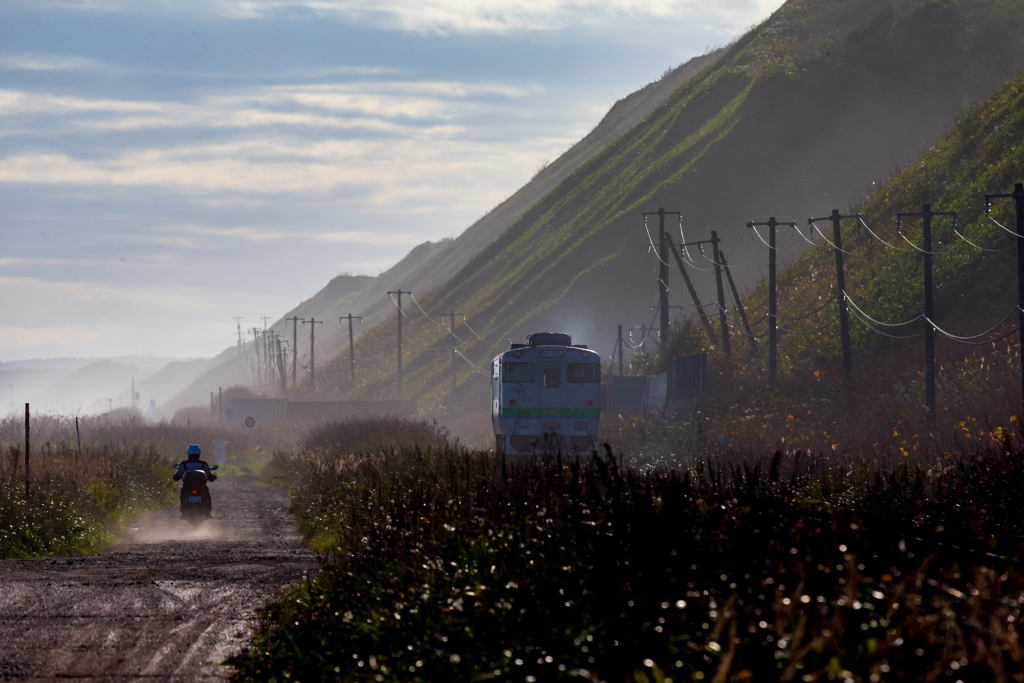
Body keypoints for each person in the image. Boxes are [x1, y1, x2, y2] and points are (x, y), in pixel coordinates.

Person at [173, 444, 216, 517]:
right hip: (201, 487)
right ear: (199, 453)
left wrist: (175, 477)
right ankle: (208, 513)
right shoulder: (203, 464)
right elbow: (209, 476)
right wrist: (213, 477)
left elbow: (178, 476)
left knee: (183, 492)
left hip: (187, 487)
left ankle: (183, 513)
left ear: (188, 453)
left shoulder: (184, 464)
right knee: (206, 492)